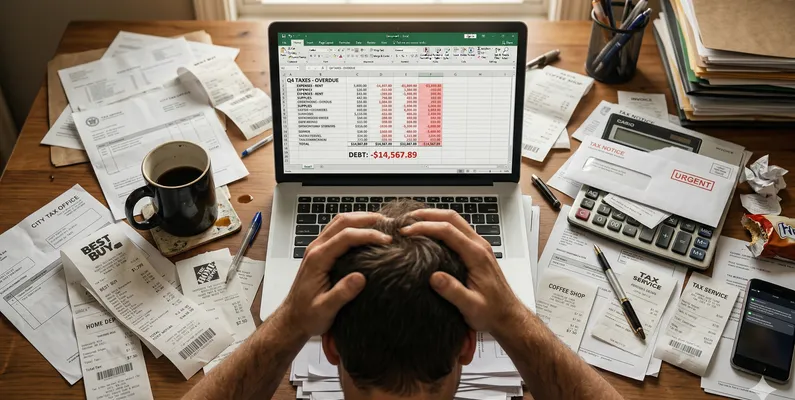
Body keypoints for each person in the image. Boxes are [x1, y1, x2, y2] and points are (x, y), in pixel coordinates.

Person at [182, 204, 624, 400]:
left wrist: (288, 324)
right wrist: (509, 316)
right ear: (469, 346)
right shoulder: (486, 332)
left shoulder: (311, 335)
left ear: (330, 345)